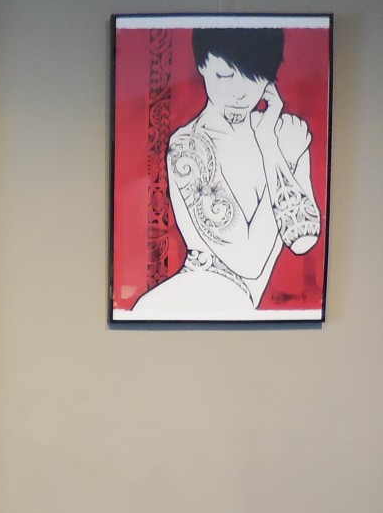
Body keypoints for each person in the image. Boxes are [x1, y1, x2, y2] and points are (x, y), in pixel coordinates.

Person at [131, 27, 321, 316]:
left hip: (233, 306)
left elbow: (303, 239)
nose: (239, 92)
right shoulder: (188, 146)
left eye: (253, 76)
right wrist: (278, 153)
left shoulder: (283, 132)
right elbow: (249, 261)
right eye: (224, 76)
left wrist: (271, 147)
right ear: (202, 67)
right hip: (192, 300)